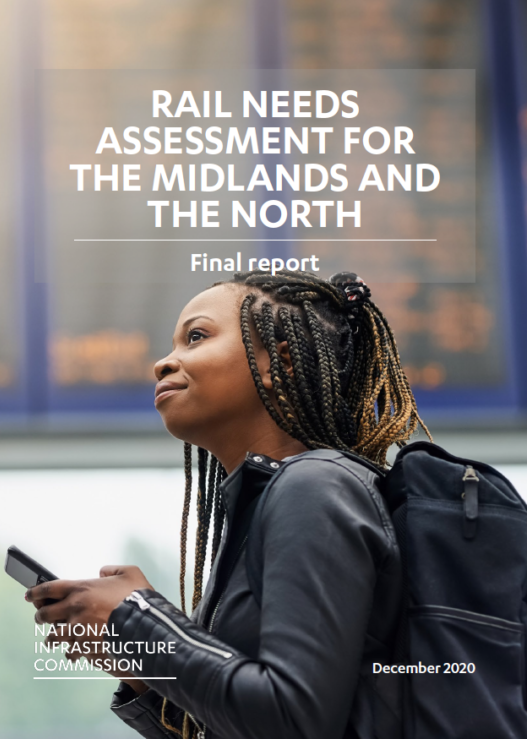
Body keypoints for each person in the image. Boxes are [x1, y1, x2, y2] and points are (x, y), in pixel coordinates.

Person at [26, 269, 430, 739]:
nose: (163, 362)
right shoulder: (272, 508)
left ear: (279, 361)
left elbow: (292, 723)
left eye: (195, 337)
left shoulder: (316, 487)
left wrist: (139, 619)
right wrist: (143, 666)